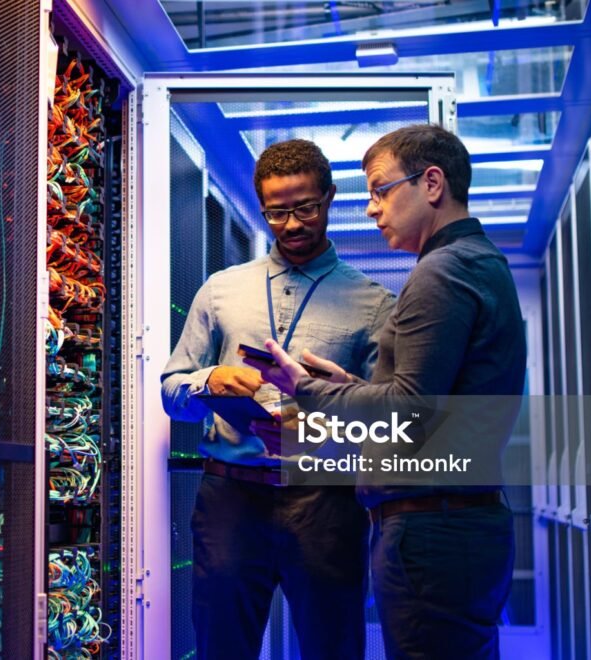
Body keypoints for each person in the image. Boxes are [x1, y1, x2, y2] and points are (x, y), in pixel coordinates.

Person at [247, 124, 527, 659]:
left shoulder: (440, 273)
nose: (373, 208)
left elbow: (407, 412)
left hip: (431, 531)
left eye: (380, 189)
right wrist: (350, 387)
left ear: (432, 183)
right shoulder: (479, 262)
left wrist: (302, 387)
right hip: (457, 526)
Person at [161, 138, 395, 660]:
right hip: (231, 502)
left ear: (330, 198)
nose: (291, 225)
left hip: (326, 504)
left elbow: (388, 424)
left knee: (333, 648)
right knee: (221, 647)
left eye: (305, 208)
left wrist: (325, 423)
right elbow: (171, 392)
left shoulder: (376, 305)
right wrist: (209, 381)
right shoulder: (220, 290)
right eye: (276, 212)